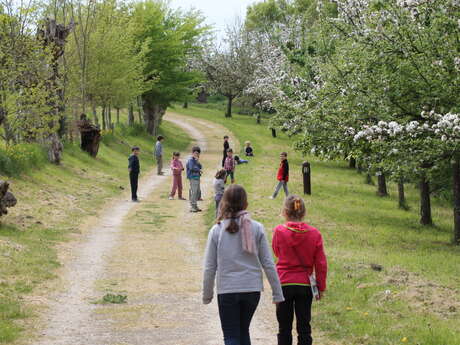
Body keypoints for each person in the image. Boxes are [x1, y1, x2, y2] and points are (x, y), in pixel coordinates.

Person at [202, 185, 284, 345]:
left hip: (227, 290)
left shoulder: (217, 230)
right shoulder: (257, 228)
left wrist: (207, 294)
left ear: (224, 203)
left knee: (231, 335)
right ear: (246, 204)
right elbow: (268, 263)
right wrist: (277, 293)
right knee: (243, 331)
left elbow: (209, 267)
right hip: (251, 290)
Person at [272, 195, 327, 345]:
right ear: (303, 212)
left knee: (284, 327)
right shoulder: (315, 233)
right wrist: (320, 286)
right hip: (305, 284)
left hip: (284, 283)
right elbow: (321, 263)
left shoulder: (279, 231)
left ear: (285, 211)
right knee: (304, 327)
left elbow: (277, 252)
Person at [186, 146, 202, 212]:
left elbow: (200, 166)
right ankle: (192, 206)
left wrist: (197, 161)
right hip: (192, 177)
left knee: (197, 192)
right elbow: (191, 168)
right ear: (192, 153)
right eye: (195, 153)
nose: (197, 154)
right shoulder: (190, 160)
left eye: (198, 153)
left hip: (197, 177)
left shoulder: (195, 160)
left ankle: (195, 206)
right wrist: (198, 169)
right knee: (194, 192)